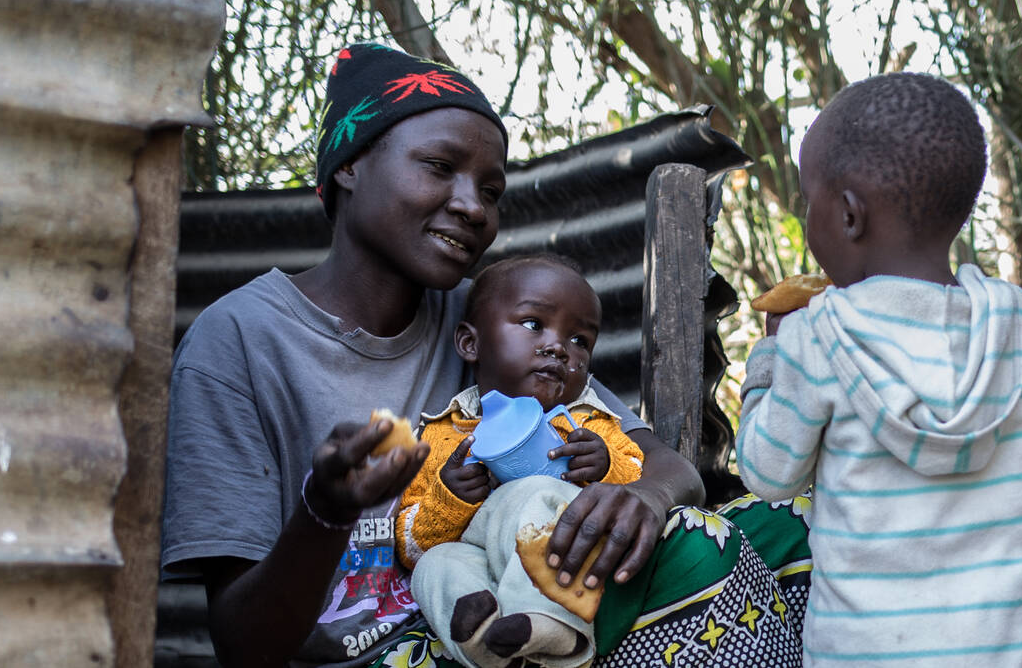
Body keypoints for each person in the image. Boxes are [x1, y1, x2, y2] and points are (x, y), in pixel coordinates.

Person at [162, 42, 810, 668]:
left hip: (538, 605)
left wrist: (643, 495)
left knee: (792, 527)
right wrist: (325, 510)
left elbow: (671, 469)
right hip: (397, 653)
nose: (474, 206)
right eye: (439, 167)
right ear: (350, 166)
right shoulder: (239, 343)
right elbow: (244, 646)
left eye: (492, 190)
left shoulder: (497, 318)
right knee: (698, 554)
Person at [734, 72, 1022, 666]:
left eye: (808, 202)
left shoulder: (817, 336)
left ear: (848, 216)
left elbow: (767, 473)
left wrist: (770, 357)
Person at [391, 254, 645, 668]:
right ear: (470, 344)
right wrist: (448, 498)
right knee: (432, 567)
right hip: (483, 563)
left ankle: (552, 623)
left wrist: (605, 466)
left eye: (580, 341)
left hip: (564, 565)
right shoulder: (445, 433)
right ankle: (483, 641)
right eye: (533, 324)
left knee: (537, 492)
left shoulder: (588, 421)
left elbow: (637, 480)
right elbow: (410, 546)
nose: (559, 348)